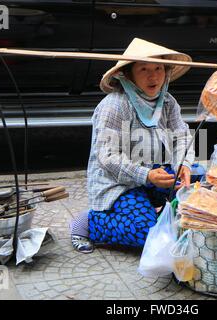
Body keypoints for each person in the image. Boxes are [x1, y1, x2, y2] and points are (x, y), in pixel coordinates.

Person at [69, 38, 195, 253]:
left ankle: (147, 209)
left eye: (158, 68)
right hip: (117, 182)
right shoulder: (114, 106)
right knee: (147, 232)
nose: (153, 75)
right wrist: (146, 175)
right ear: (128, 74)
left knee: (198, 189)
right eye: (143, 69)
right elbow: (107, 156)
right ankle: (89, 222)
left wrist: (184, 165)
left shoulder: (168, 102)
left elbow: (181, 136)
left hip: (151, 173)